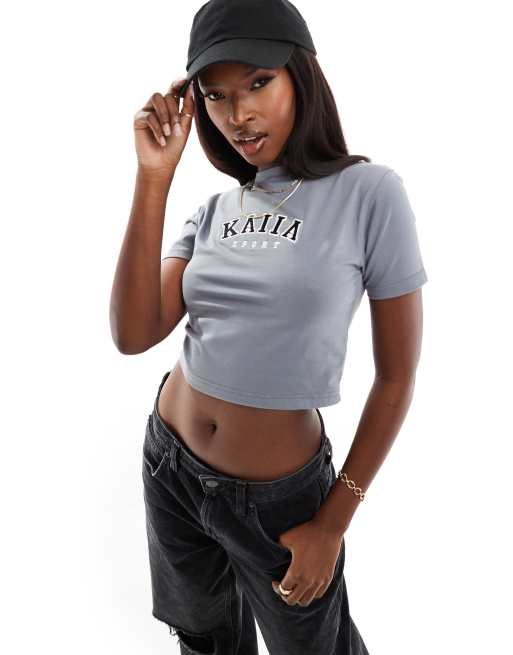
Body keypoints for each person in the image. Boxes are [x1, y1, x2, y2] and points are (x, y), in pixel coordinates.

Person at [110, 1, 428, 653]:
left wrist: (332, 522)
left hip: (280, 500)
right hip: (170, 464)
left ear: (300, 75)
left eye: (258, 82)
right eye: (216, 95)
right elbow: (133, 333)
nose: (238, 114)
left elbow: (396, 378)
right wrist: (153, 178)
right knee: (205, 640)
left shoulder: (370, 193)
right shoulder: (213, 210)